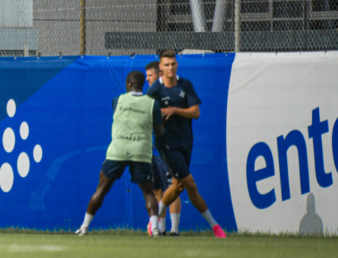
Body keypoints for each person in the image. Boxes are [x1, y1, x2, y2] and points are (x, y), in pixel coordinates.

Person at [147, 50, 226, 238]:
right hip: (166, 144)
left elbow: (195, 113)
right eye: (166, 65)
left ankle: (155, 221)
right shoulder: (154, 91)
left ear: (177, 64)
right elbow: (146, 115)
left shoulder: (185, 84)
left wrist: (175, 110)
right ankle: (215, 226)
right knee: (190, 184)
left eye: (173, 64)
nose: (170, 68)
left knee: (177, 186)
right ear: (161, 67)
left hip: (186, 142)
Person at [75, 70, 164, 236]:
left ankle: (84, 227)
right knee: (148, 192)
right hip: (141, 151)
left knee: (101, 189)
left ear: (129, 84)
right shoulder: (153, 104)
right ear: (142, 84)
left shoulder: (117, 100)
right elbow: (159, 132)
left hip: (118, 150)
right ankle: (155, 229)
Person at [145, 60, 182, 235]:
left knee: (172, 189)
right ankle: (161, 228)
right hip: (152, 152)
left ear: (159, 75)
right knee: (157, 190)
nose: (147, 79)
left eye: (150, 76)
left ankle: (174, 230)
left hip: (168, 151)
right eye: (146, 76)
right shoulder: (149, 97)